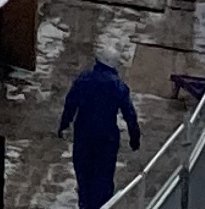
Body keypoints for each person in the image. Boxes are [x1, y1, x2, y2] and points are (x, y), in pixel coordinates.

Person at [62, 50, 145, 209]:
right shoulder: (118, 85)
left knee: (84, 173)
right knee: (103, 176)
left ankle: (85, 203)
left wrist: (64, 123)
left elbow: (71, 102)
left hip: (84, 136)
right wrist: (135, 137)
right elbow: (129, 113)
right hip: (107, 139)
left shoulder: (84, 79)